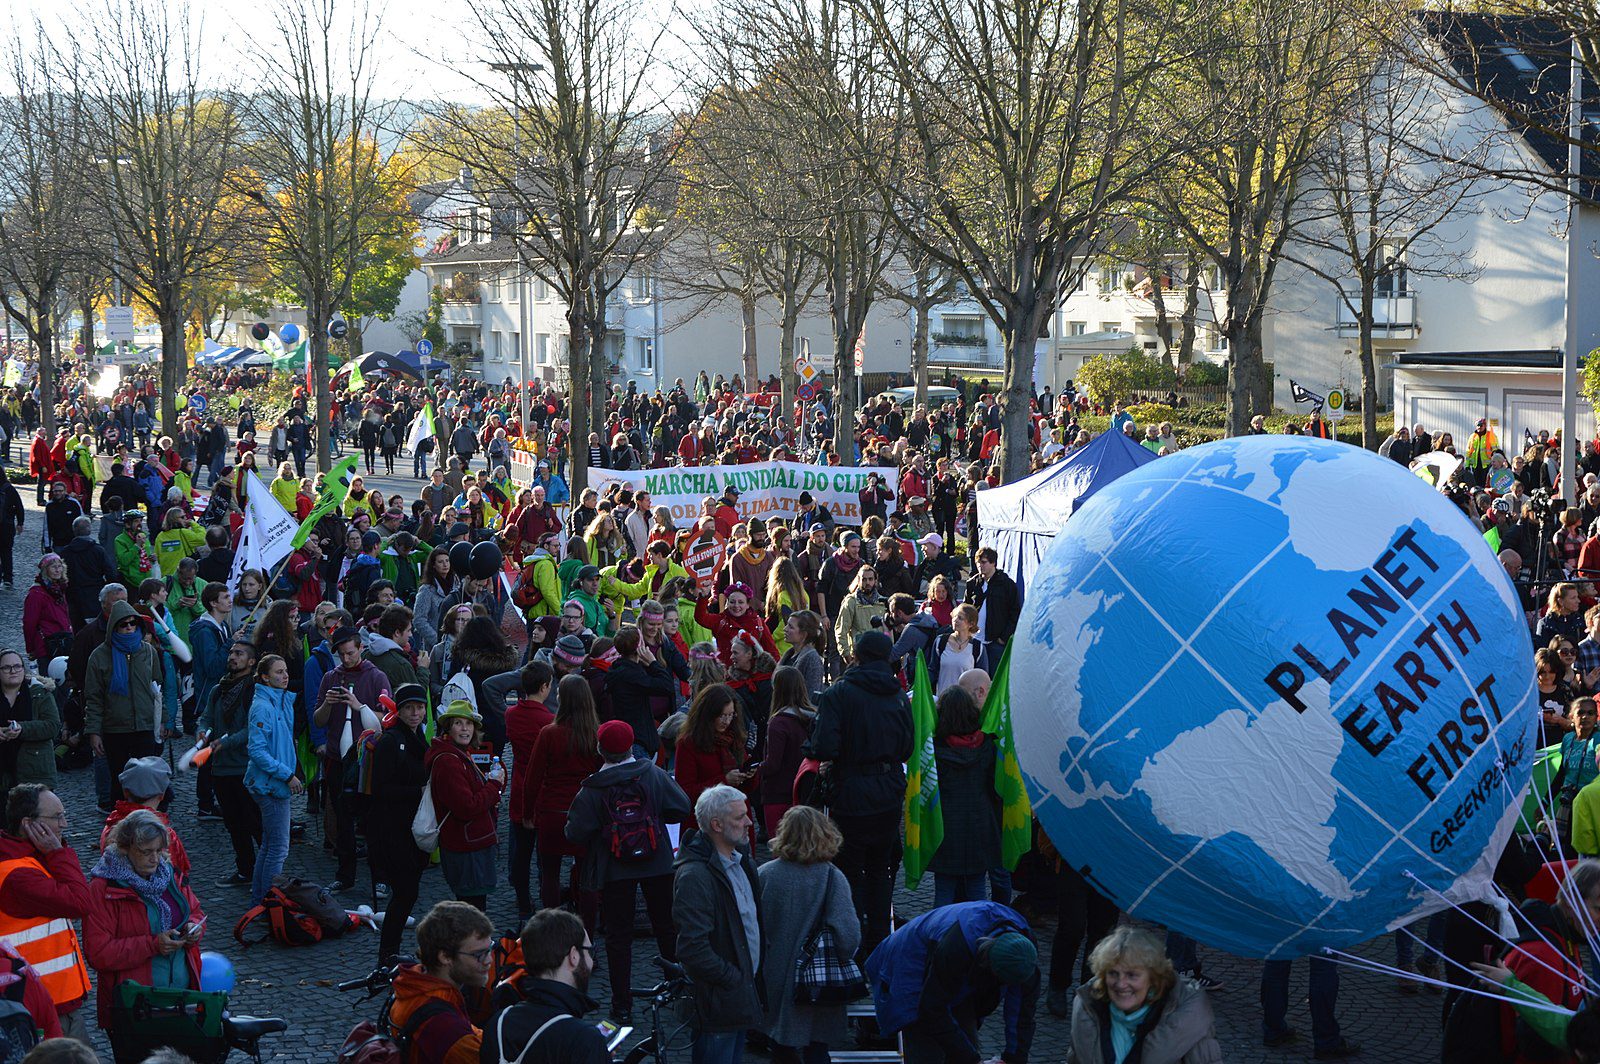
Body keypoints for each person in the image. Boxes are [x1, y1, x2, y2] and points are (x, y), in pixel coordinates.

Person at [565, 719, 692, 1025]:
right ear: (630, 745)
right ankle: (677, 990)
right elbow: (682, 806)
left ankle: (622, 1004)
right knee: (666, 927)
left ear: (601, 749)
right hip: (658, 862)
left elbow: (574, 833)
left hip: (614, 867)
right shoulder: (652, 773)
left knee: (618, 938)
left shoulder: (594, 787)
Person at [805, 630, 913, 959]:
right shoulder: (897, 694)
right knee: (881, 869)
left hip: (851, 793)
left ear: (858, 656)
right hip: (887, 793)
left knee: (848, 870)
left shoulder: (840, 693)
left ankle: (849, 946)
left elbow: (825, 746)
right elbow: (907, 747)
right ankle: (880, 944)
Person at [83, 810, 206, 1064]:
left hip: (181, 997)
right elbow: (98, 952)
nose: (155, 859)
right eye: (146, 851)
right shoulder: (104, 888)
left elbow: (193, 910)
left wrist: (194, 928)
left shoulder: (170, 874)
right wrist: (152, 945)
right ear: (125, 847)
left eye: (159, 851)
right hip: (135, 1006)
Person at [865, 901, 1039, 1064]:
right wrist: (970, 1059)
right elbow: (932, 1008)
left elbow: (1022, 1012)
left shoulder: (1024, 957)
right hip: (907, 962)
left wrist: (1014, 1058)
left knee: (965, 1040)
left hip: (955, 962)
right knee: (925, 1048)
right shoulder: (955, 950)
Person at [757, 807, 859, 1064]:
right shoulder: (833, 878)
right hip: (817, 982)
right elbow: (847, 936)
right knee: (817, 1049)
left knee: (781, 1047)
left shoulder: (765, 875)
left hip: (775, 976)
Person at [673, 784, 764, 1064]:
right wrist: (733, 978)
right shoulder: (695, 877)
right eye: (739, 817)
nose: (749, 822)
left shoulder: (742, 862)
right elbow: (692, 948)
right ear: (716, 824)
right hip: (718, 1004)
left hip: (738, 997)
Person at [0, 784, 92, 1041]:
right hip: (44, 1005)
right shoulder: (18, 875)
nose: (63, 824)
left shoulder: (26, 858)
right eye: (56, 817)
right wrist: (58, 853)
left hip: (48, 997)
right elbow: (79, 902)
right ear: (28, 823)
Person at [1065, 926, 1222, 1064]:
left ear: (1153, 978)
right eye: (1113, 973)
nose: (1120, 984)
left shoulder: (1186, 1016)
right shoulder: (1088, 1007)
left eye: (1132, 975)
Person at [312, 625, 390, 892]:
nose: (346, 659)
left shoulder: (377, 677)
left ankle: (380, 877)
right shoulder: (330, 678)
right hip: (337, 757)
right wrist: (328, 705)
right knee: (342, 820)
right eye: (342, 654)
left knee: (373, 821)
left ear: (361, 648)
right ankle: (345, 875)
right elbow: (319, 719)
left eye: (350, 653)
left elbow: (387, 720)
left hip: (367, 758)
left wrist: (360, 707)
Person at [480, 908, 611, 1064]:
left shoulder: (497, 1023)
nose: (590, 960)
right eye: (590, 951)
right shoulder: (584, 1039)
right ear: (574, 956)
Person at [525, 674, 603, 924]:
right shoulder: (596, 735)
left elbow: (533, 778)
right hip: (586, 816)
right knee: (587, 881)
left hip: (553, 814)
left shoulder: (549, 733)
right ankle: (587, 941)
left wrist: (528, 814)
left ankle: (553, 934)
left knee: (550, 876)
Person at [386, 900, 494, 1064]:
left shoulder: (414, 985)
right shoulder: (445, 1026)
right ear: (445, 957)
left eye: (490, 949)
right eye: (479, 954)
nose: (489, 960)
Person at [369, 683, 432, 961]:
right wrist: (416, 792)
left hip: (413, 827)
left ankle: (390, 952)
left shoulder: (420, 738)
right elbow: (380, 789)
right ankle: (387, 954)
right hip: (393, 829)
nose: (415, 713)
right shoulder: (391, 741)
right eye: (409, 708)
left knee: (408, 892)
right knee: (405, 892)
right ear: (400, 710)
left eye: (419, 707)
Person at [425, 701, 505, 910]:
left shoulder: (459, 754)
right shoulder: (449, 761)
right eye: (458, 723)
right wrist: (494, 785)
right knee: (473, 908)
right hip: (467, 847)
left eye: (468, 724)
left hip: (470, 844)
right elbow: (466, 807)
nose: (464, 729)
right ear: (448, 728)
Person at [927, 685, 1002, 907]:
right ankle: (976, 937)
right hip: (980, 820)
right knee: (977, 885)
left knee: (944, 888)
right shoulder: (988, 744)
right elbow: (994, 786)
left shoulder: (934, 749)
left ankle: (939, 935)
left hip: (946, 823)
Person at [199, 639, 261, 889]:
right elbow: (205, 717)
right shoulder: (218, 690)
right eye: (232, 653)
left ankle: (270, 870)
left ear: (252, 661)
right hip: (221, 768)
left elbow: (252, 729)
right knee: (233, 823)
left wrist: (228, 742)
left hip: (245, 767)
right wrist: (203, 732)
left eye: (239, 653)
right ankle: (245, 868)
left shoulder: (254, 690)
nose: (232, 657)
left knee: (255, 822)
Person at [242, 653, 301, 906]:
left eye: (285, 670)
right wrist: (287, 775)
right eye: (278, 672)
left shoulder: (278, 701)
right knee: (278, 849)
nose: (285, 676)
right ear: (265, 677)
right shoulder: (264, 707)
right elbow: (256, 751)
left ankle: (260, 897)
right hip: (271, 785)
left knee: (269, 846)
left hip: (272, 782)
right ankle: (268, 903)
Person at [83, 601, 161, 784]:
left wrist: (163, 720)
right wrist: (94, 731)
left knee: (146, 780)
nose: (129, 628)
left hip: (144, 726)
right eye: (123, 624)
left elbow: (158, 689)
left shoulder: (149, 652)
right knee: (119, 780)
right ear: (114, 627)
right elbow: (93, 697)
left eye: (133, 623)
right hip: (115, 729)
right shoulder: (99, 656)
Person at [506, 663, 555, 924]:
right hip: (543, 792)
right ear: (545, 686)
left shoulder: (512, 715)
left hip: (519, 788)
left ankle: (523, 900)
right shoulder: (548, 721)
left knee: (521, 852)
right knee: (545, 855)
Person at [99, 756, 189, 876]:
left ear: (125, 792)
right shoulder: (164, 834)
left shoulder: (112, 826)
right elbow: (178, 873)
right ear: (162, 795)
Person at [966, 548, 1020, 661]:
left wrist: (1003, 638)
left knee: (992, 677)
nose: (980, 565)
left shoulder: (1007, 585)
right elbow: (965, 609)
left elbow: (1015, 613)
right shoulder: (972, 583)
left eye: (984, 562)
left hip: (995, 642)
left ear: (993, 563)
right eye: (978, 562)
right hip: (973, 639)